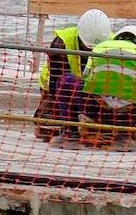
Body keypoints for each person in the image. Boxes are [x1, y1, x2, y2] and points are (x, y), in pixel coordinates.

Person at [74, 25, 136, 151]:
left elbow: (85, 81)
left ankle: (74, 130)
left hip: (97, 110)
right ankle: (123, 135)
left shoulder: (100, 48)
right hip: (126, 117)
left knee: (76, 82)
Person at [34, 8, 113, 142]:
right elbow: (56, 89)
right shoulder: (61, 43)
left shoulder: (112, 43)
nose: (91, 50)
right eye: (88, 47)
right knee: (46, 127)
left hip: (95, 93)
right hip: (59, 91)